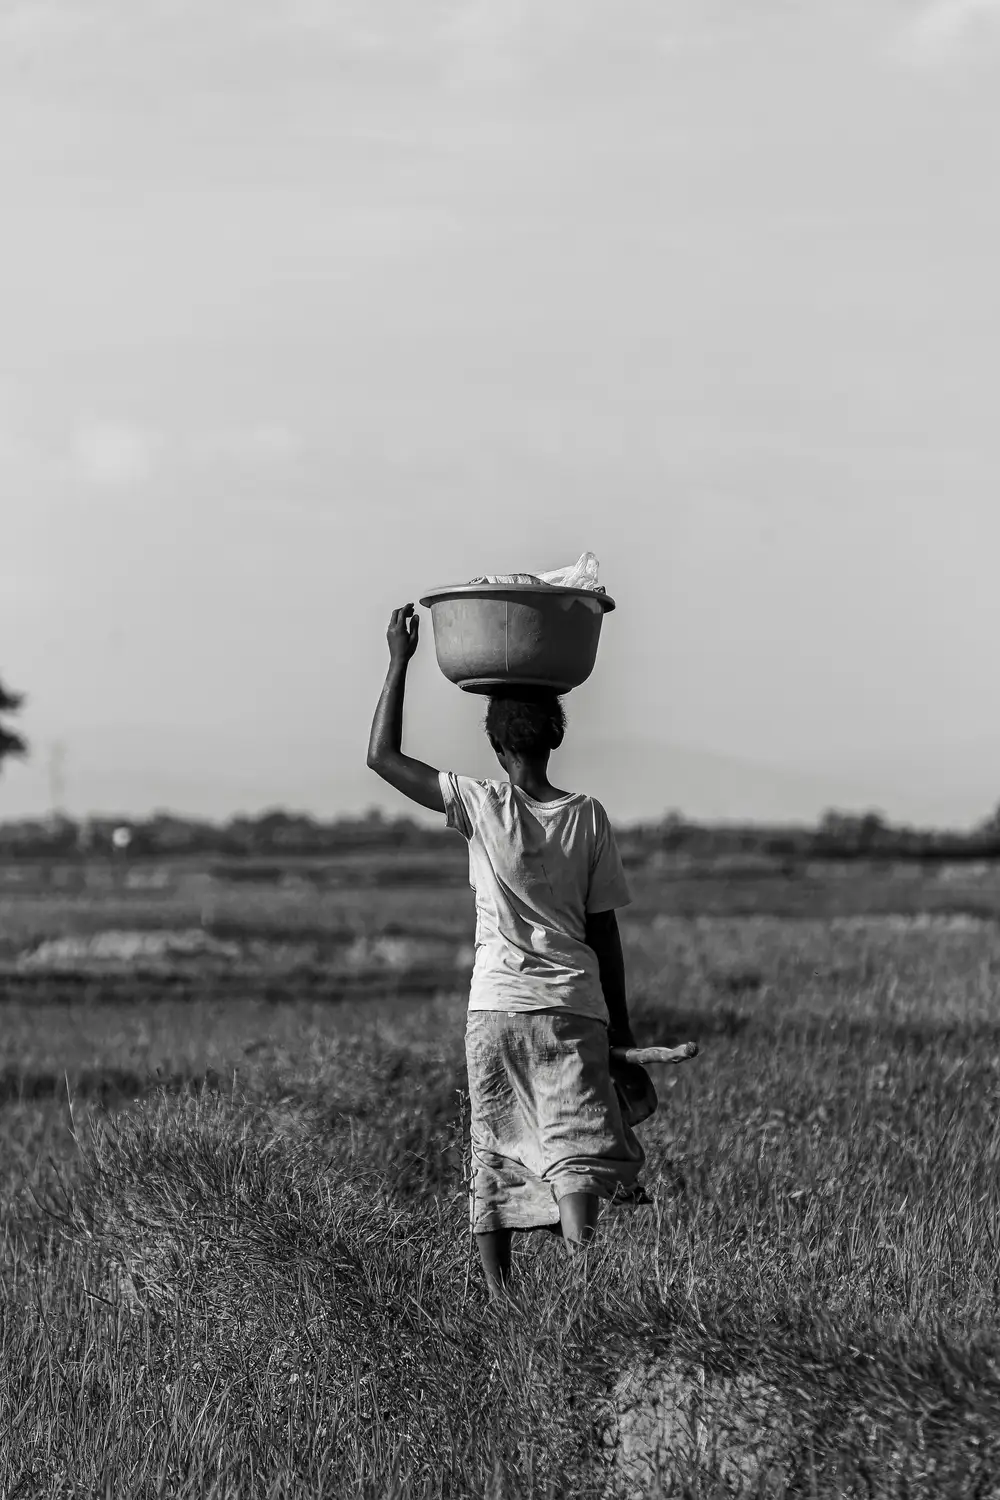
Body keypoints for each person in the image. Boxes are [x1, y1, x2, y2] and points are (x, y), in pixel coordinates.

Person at [367, 603, 648, 1297]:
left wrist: (399, 660)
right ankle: (583, 1277)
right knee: (575, 1143)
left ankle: (501, 1301)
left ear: (496, 745)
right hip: (573, 1009)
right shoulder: (587, 816)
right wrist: (623, 1029)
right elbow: (603, 931)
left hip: (496, 1009)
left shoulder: (479, 803)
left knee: (493, 1142)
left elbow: (382, 757)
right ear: (556, 738)